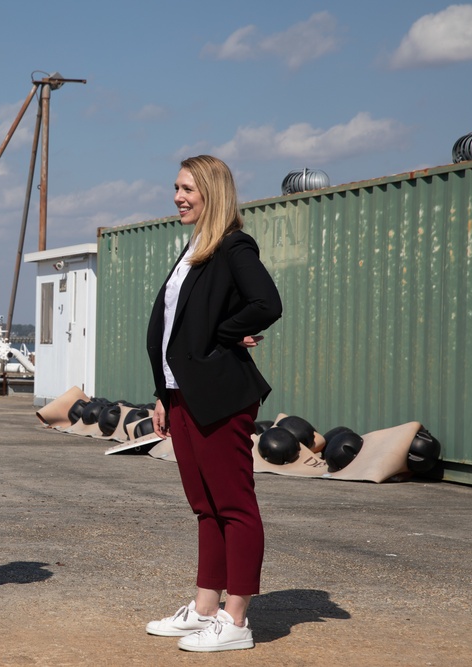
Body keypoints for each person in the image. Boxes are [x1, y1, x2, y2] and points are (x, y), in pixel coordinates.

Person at [144, 155, 281, 652]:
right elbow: (174, 326)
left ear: (212, 192)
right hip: (182, 394)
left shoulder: (232, 245)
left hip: (220, 394)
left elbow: (266, 303)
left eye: (188, 189)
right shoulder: (194, 246)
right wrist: (163, 393)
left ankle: (237, 619)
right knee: (204, 507)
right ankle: (204, 608)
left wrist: (223, 336)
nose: (178, 197)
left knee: (234, 507)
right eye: (176, 187)